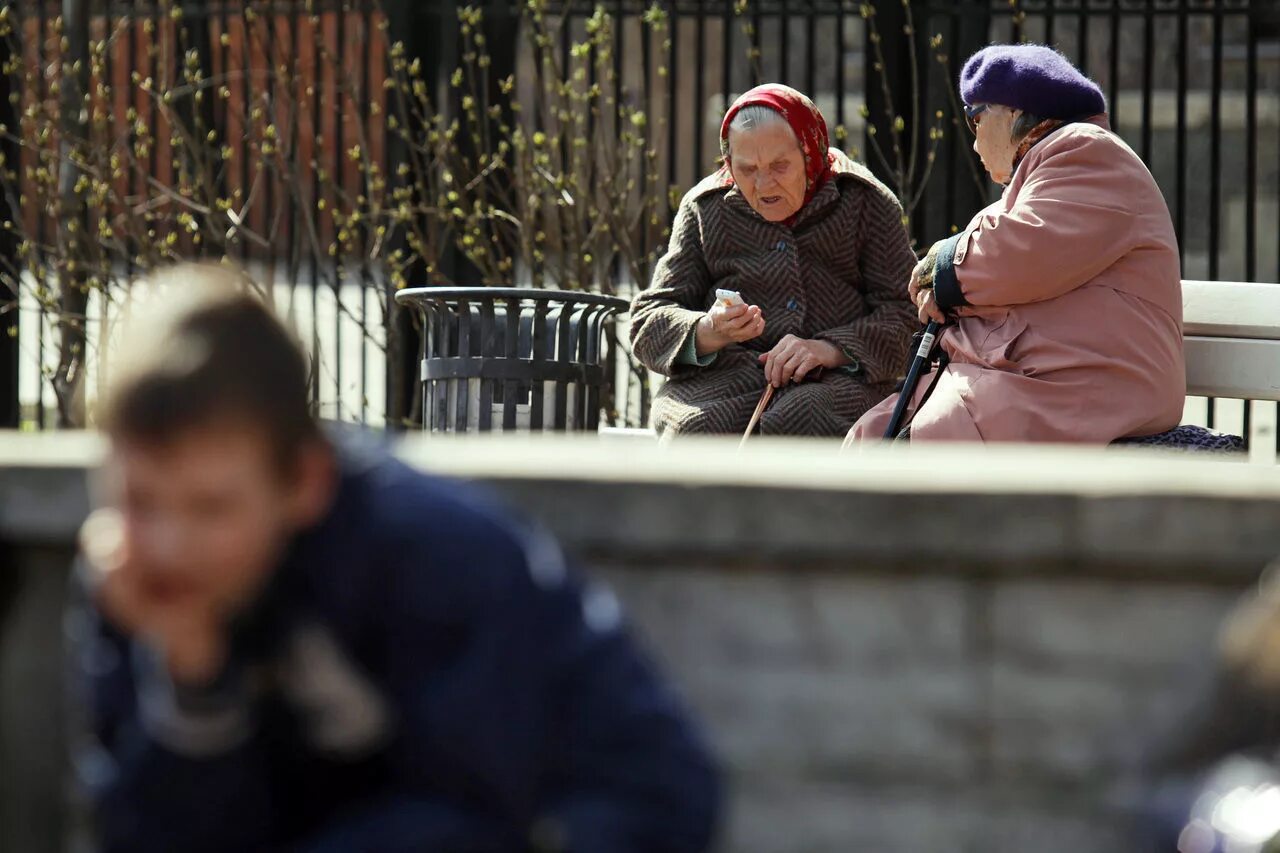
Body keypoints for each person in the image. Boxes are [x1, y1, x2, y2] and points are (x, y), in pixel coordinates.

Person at [69, 264, 720, 853]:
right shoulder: (140, 579)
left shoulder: (432, 554)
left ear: (306, 482)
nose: (168, 542)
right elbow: (148, 827)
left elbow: (475, 808)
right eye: (138, 497)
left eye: (211, 508)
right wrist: (192, 673)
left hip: (595, 815)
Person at [847, 45, 1186, 444]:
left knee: (922, 443)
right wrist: (948, 287)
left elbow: (1022, 254)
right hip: (1047, 376)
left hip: (1089, 383)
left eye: (975, 119)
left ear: (1011, 111)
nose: (973, 144)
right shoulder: (1050, 165)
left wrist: (943, 268)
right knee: (870, 437)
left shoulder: (1087, 151)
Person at [629, 84, 917, 437]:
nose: (764, 185)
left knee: (802, 417)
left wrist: (829, 349)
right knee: (698, 428)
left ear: (810, 154)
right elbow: (649, 319)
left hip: (838, 381)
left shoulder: (864, 201)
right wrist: (709, 330)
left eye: (780, 166)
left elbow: (907, 314)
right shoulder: (705, 207)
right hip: (724, 378)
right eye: (747, 169)